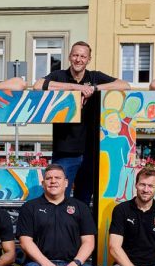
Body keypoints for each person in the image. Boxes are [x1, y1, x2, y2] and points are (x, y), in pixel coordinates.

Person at [34, 42, 130, 206]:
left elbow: (125, 85)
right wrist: (75, 88)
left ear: (89, 59)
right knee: (58, 198)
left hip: (91, 151)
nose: (78, 59)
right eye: (75, 55)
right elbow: (38, 86)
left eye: (83, 56)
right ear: (70, 57)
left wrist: (93, 88)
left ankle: (80, 231)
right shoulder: (59, 75)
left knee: (83, 201)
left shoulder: (94, 77)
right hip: (65, 150)